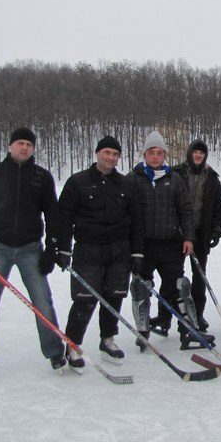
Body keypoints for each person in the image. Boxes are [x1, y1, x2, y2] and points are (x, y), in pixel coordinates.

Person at [0, 127, 65, 381]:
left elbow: (53, 215)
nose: (24, 148)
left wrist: (52, 248)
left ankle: (55, 352)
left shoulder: (41, 177)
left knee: (43, 302)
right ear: (10, 146)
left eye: (28, 144)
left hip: (30, 249)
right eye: (20, 143)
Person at [57, 135, 145, 369]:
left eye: (115, 154)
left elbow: (136, 220)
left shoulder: (126, 184)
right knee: (84, 299)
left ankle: (108, 339)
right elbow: (63, 218)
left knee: (114, 296)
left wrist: (137, 253)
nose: (111, 157)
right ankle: (73, 344)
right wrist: (63, 248)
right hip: (89, 249)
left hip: (119, 250)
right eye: (107, 153)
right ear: (97, 154)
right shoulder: (78, 182)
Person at [128, 131, 214, 349]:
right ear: (144, 154)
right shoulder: (133, 179)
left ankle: (189, 331)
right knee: (141, 287)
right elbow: (126, 214)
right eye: (151, 152)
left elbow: (185, 210)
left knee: (179, 287)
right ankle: (143, 330)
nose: (156, 156)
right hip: (143, 246)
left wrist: (188, 237)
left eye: (159, 153)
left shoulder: (174, 178)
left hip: (170, 244)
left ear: (164, 154)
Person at [172, 139, 221, 331]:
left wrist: (217, 229)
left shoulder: (211, 177)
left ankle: (197, 315)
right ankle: (173, 314)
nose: (198, 156)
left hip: (201, 233)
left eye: (202, 153)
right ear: (190, 153)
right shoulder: (177, 173)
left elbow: (218, 206)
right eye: (195, 152)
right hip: (178, 233)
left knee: (199, 276)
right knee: (175, 277)